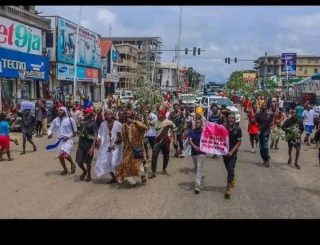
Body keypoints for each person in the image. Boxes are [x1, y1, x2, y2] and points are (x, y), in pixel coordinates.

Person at [116, 110, 148, 186]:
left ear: (133, 115)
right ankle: (131, 181)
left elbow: (145, 127)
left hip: (137, 147)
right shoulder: (123, 125)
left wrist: (134, 121)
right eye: (126, 114)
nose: (127, 116)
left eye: (129, 115)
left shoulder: (137, 123)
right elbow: (122, 137)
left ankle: (143, 175)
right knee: (124, 163)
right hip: (127, 148)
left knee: (137, 164)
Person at [95, 110, 123, 183]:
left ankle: (119, 175)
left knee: (115, 162)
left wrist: (117, 141)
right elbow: (100, 133)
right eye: (106, 114)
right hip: (106, 146)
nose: (108, 116)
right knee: (106, 162)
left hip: (116, 146)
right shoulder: (103, 124)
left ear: (112, 115)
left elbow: (120, 136)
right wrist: (99, 139)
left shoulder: (118, 124)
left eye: (109, 114)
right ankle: (114, 177)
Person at [48, 107, 77, 175]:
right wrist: (49, 134)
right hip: (59, 140)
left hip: (68, 140)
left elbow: (75, 132)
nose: (60, 111)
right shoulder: (55, 120)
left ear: (65, 111)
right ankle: (65, 169)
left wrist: (68, 136)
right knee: (60, 156)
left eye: (61, 110)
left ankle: (72, 163)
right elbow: (50, 128)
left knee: (65, 154)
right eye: (59, 110)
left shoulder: (70, 120)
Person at [149, 109, 177, 179]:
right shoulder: (155, 121)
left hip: (166, 141)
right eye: (158, 115)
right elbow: (149, 123)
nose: (159, 116)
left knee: (166, 155)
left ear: (164, 115)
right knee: (154, 155)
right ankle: (153, 172)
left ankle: (164, 169)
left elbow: (174, 131)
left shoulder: (169, 122)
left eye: (160, 115)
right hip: (157, 140)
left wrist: (175, 140)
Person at [223, 112, 242, 199]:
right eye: (229, 118)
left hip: (233, 153)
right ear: (227, 119)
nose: (231, 119)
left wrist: (232, 151)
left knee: (230, 169)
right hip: (224, 153)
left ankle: (228, 189)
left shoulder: (238, 129)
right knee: (228, 169)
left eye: (232, 118)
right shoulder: (223, 128)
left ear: (235, 119)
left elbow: (239, 142)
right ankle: (232, 178)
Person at [75, 108, 98, 182]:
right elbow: (79, 131)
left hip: (89, 145)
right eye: (84, 112)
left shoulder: (93, 123)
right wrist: (78, 133)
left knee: (88, 162)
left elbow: (95, 136)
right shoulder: (82, 122)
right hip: (81, 144)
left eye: (87, 112)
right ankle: (84, 171)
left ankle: (89, 175)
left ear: (91, 113)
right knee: (79, 161)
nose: (85, 113)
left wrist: (92, 147)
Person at [188, 119, 205, 194]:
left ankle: (197, 185)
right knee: (196, 167)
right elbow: (190, 140)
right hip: (194, 152)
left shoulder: (204, 131)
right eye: (196, 122)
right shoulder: (192, 131)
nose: (197, 123)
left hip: (202, 153)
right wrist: (195, 147)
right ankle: (200, 176)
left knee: (199, 168)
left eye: (198, 122)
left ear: (201, 124)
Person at [255, 102, 274, 167]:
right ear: (261, 106)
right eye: (262, 105)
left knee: (265, 146)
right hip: (260, 131)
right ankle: (264, 159)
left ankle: (267, 160)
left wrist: (272, 125)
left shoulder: (269, 114)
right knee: (261, 147)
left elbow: (272, 122)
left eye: (265, 105)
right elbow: (255, 122)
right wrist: (257, 128)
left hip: (266, 131)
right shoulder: (258, 114)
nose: (264, 106)